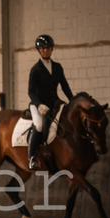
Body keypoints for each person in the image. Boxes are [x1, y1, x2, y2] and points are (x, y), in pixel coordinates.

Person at [27, 34, 74, 170]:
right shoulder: (35, 70)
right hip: (39, 105)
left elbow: (65, 86)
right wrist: (39, 105)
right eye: (43, 49)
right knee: (39, 125)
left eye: (48, 48)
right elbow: (31, 92)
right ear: (39, 50)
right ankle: (31, 158)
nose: (46, 51)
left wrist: (72, 101)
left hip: (54, 102)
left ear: (52, 49)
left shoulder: (57, 67)